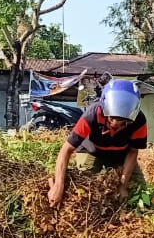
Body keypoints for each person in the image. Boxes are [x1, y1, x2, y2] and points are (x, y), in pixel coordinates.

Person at [49, 78, 148, 208]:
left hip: (121, 155)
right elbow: (66, 150)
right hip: (92, 151)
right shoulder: (92, 115)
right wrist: (58, 186)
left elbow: (133, 151)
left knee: (138, 191)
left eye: (122, 122)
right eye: (112, 119)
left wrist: (123, 185)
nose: (115, 125)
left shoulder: (138, 120)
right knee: (84, 186)